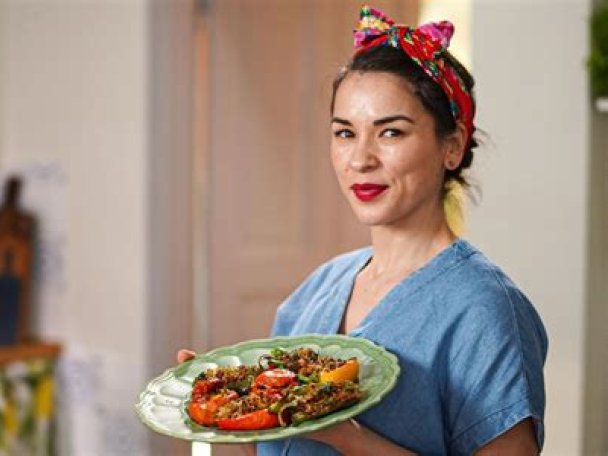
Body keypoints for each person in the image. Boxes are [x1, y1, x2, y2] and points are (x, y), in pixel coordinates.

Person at [178, 5, 547, 455]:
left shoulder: (485, 310)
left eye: (391, 133)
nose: (360, 159)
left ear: (452, 146)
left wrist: (348, 437)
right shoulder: (318, 289)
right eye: (345, 133)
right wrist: (229, 408)